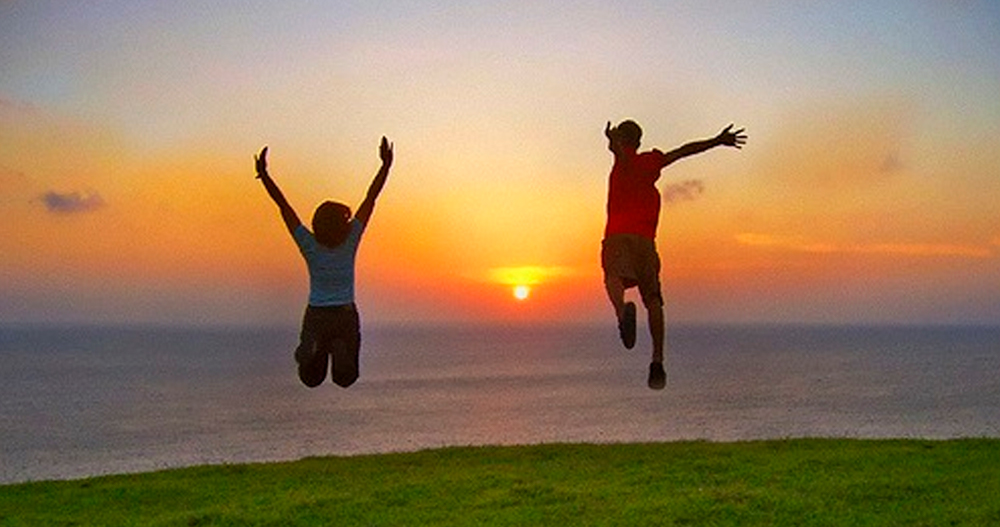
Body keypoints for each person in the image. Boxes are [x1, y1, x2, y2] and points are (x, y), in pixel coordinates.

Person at [602, 120, 745, 390]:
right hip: (645, 242)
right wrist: (717, 140)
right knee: (654, 300)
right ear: (640, 142)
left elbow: (616, 149)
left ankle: (622, 313)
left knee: (613, 277)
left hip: (618, 236)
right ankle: (657, 361)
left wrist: (610, 139)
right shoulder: (651, 162)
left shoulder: (623, 162)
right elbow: (684, 151)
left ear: (623, 140)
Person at [255, 137, 393, 388]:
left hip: (317, 315)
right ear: (343, 223)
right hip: (345, 314)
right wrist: (385, 166)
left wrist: (264, 175)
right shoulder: (351, 238)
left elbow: (283, 207)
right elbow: (370, 199)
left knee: (311, 378)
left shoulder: (309, 244)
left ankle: (314, 347)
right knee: (345, 378)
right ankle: (339, 347)